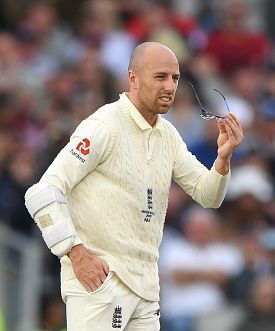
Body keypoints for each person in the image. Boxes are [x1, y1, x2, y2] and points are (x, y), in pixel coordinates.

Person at [23, 41, 243, 330]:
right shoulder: (104, 125)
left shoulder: (168, 135)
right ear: (133, 78)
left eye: (175, 78)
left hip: (146, 289)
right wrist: (75, 252)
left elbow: (208, 195)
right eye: (160, 76)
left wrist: (223, 159)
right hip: (101, 282)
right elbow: (42, 192)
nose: (169, 87)